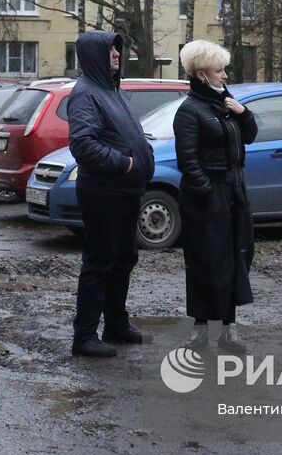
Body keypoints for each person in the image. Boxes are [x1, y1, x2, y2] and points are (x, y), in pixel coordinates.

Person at [66, 31, 156, 358]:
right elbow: (83, 145)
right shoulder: (85, 94)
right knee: (99, 263)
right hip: (103, 192)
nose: (117, 55)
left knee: (123, 259)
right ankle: (85, 335)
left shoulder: (112, 90)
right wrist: (125, 163)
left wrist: (143, 154)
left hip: (126, 191)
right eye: (111, 51)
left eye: (118, 50)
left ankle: (116, 324)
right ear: (94, 56)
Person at [173, 39, 258, 353]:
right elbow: (187, 160)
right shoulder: (189, 110)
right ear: (201, 75)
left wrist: (244, 112)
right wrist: (208, 193)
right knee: (206, 262)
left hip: (235, 192)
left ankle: (229, 327)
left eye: (224, 69)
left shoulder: (227, 103)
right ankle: (199, 328)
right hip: (206, 196)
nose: (225, 76)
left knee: (238, 256)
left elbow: (249, 135)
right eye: (219, 70)